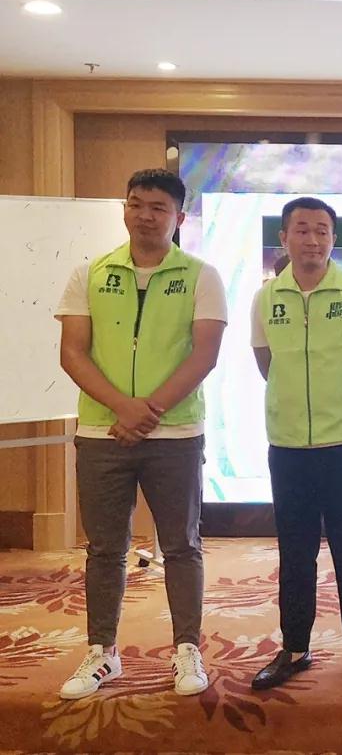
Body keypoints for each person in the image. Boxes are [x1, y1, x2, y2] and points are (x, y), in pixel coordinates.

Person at [55, 169, 226, 699]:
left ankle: (187, 649)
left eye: (158, 207)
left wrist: (147, 411)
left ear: (179, 217)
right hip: (101, 431)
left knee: (181, 545)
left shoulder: (201, 276)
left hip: (175, 433)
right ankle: (102, 652)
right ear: (124, 209)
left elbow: (204, 354)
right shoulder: (90, 273)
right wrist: (123, 408)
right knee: (105, 548)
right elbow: (72, 352)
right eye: (135, 204)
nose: (145, 215)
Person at [248, 197, 342, 690]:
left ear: (333, 238)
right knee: (295, 552)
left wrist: (340, 400)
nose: (312, 240)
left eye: (322, 231)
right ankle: (294, 649)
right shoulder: (266, 298)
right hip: (288, 446)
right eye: (302, 230)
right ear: (284, 238)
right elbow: (267, 364)